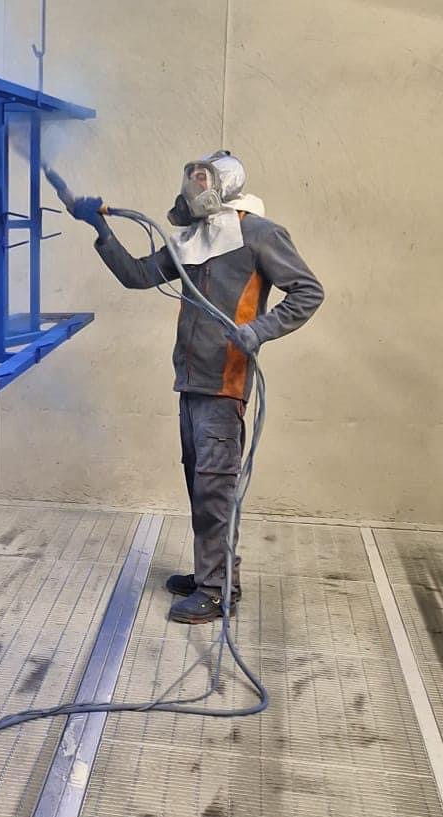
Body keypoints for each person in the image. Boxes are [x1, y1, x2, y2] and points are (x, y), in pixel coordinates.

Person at [68, 153, 323, 623]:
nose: (192, 187)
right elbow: (138, 276)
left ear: (225, 185)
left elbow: (308, 291)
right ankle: (214, 572)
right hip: (191, 380)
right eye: (191, 178)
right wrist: (100, 229)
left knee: (214, 490)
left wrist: (259, 331)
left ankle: (216, 590)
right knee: (202, 485)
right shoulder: (194, 238)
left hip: (224, 383)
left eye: (201, 179)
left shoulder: (258, 234)